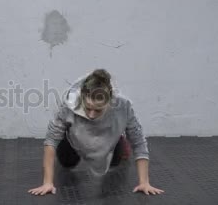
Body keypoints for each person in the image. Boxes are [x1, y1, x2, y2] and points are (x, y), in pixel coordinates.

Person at [28, 69, 164, 196]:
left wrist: (144, 182)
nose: (91, 115)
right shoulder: (69, 105)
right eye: (88, 108)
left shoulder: (123, 107)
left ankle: (118, 141)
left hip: (107, 138)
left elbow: (138, 142)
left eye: (98, 110)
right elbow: (51, 140)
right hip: (74, 139)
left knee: (115, 162)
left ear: (110, 101)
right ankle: (71, 135)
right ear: (82, 98)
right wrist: (47, 183)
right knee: (67, 162)